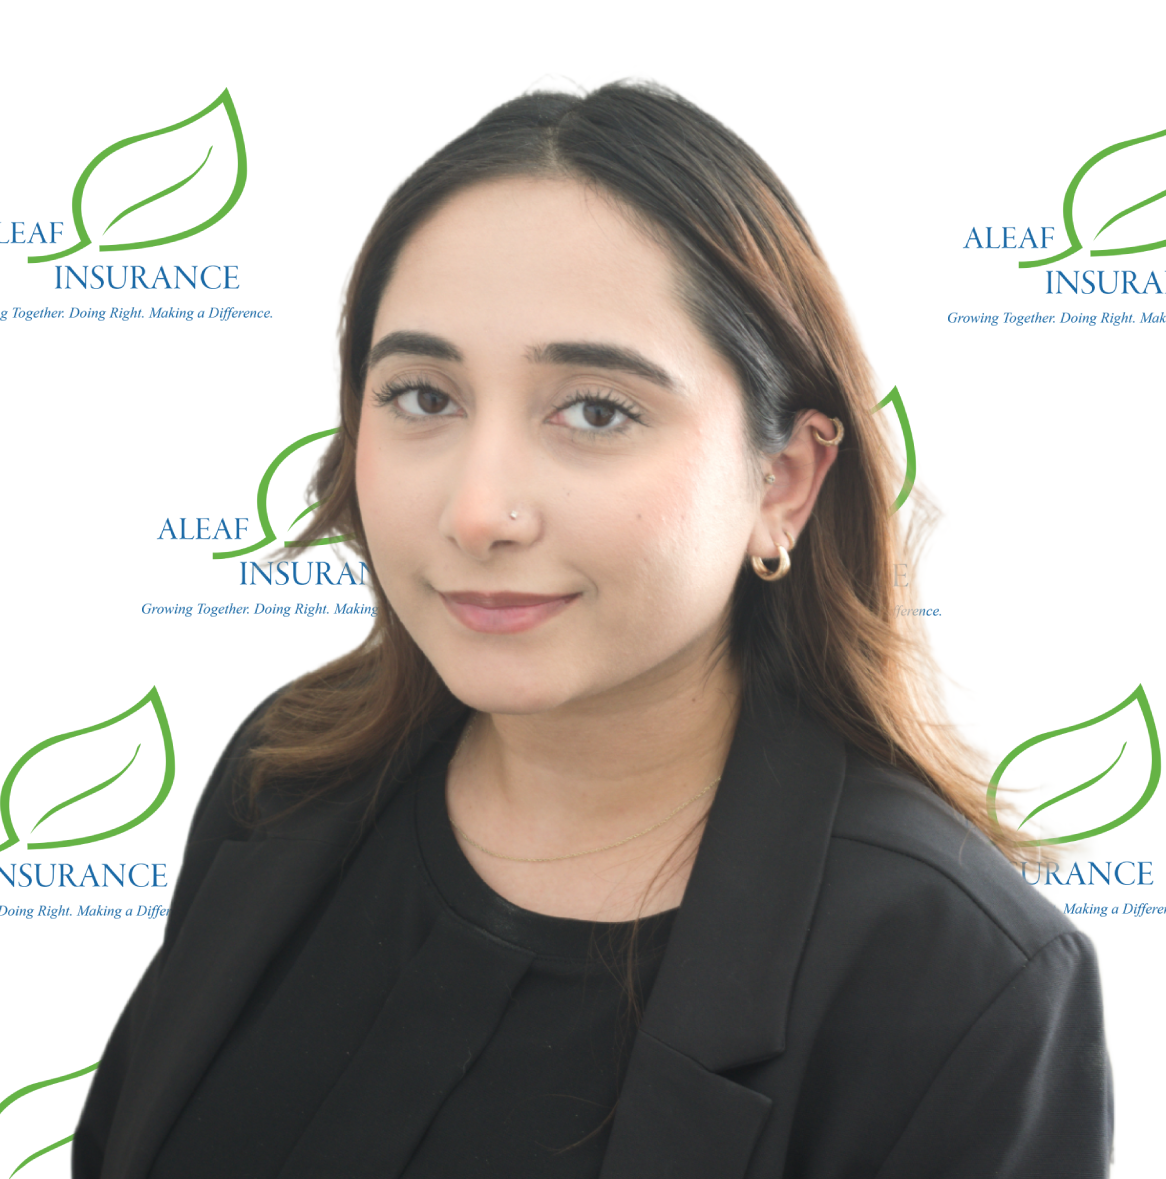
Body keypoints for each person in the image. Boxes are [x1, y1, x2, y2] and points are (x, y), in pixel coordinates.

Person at [72, 81, 1112, 1179]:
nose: (480, 512)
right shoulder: (288, 773)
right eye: (423, 397)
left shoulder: (955, 976)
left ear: (785, 480)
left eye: (598, 411)